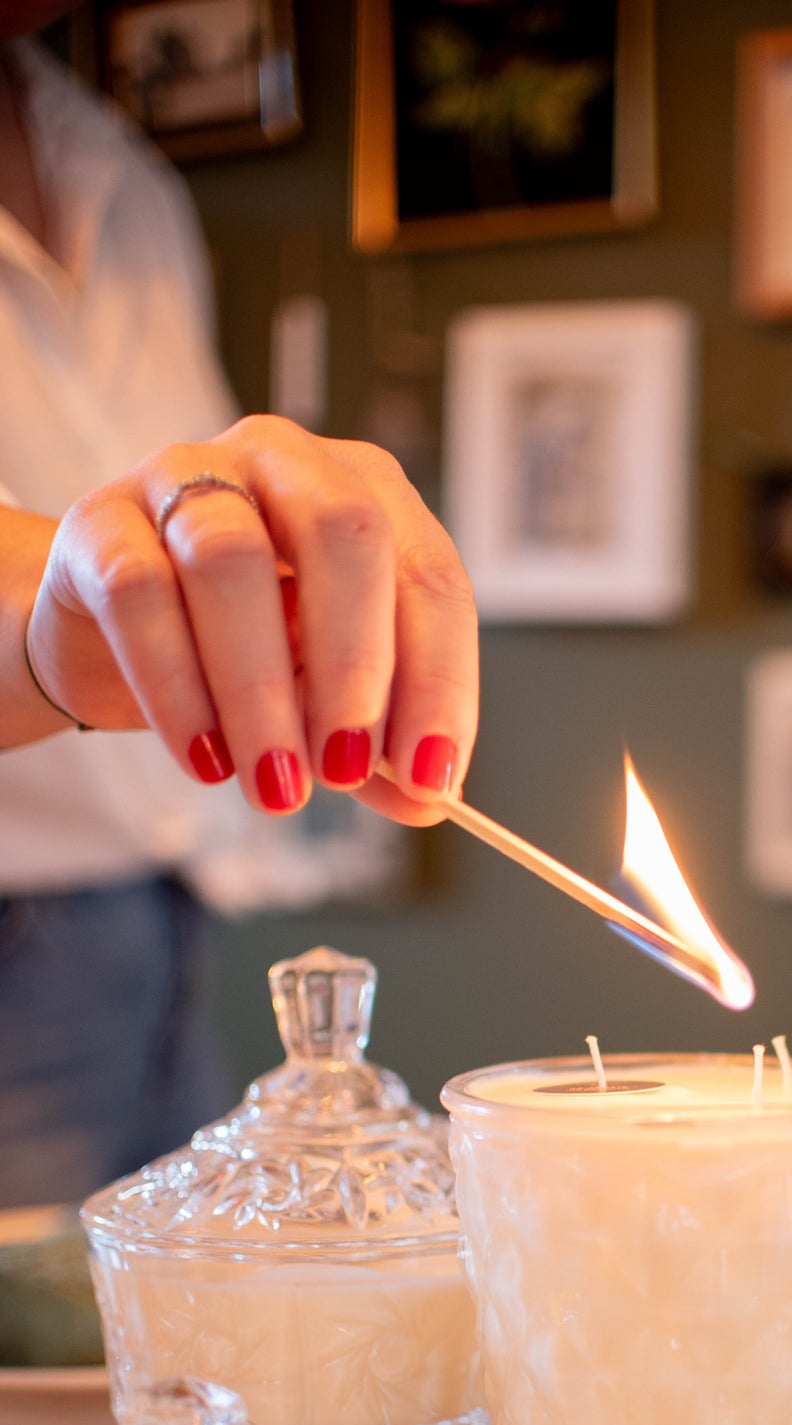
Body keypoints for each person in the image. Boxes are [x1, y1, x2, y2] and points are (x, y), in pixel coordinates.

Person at [0, 23, 479, 1207]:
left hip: (160, 932)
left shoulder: (113, 163)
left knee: (174, 1387)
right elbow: (77, 584)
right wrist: (54, 618)